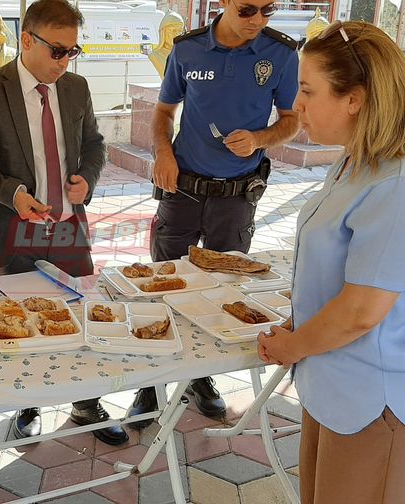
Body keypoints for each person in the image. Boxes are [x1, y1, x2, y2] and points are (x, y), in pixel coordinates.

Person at [257, 21, 405, 504]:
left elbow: (363, 310)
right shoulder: (357, 161)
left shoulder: (403, 183)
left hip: (377, 399)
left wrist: (294, 345)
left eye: (307, 90)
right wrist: (296, 329)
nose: (296, 104)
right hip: (333, 383)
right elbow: (338, 275)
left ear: (355, 98)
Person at [0, 0, 127, 446]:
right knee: (20, 322)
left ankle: (86, 402)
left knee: (81, 316)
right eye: (58, 51)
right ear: (27, 40)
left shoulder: (76, 88)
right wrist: (14, 193)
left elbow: (94, 145)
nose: (65, 61)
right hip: (13, 228)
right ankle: (26, 403)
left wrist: (86, 181)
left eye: (73, 51)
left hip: (70, 227)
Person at [127, 0, 300, 429]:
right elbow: (164, 113)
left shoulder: (280, 53)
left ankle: (199, 378)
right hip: (182, 189)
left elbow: (292, 119)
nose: (257, 20)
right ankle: (150, 384)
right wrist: (163, 153)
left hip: (238, 196)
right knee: (164, 283)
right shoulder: (187, 49)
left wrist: (261, 137)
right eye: (247, 10)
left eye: (268, 10)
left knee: (224, 290)